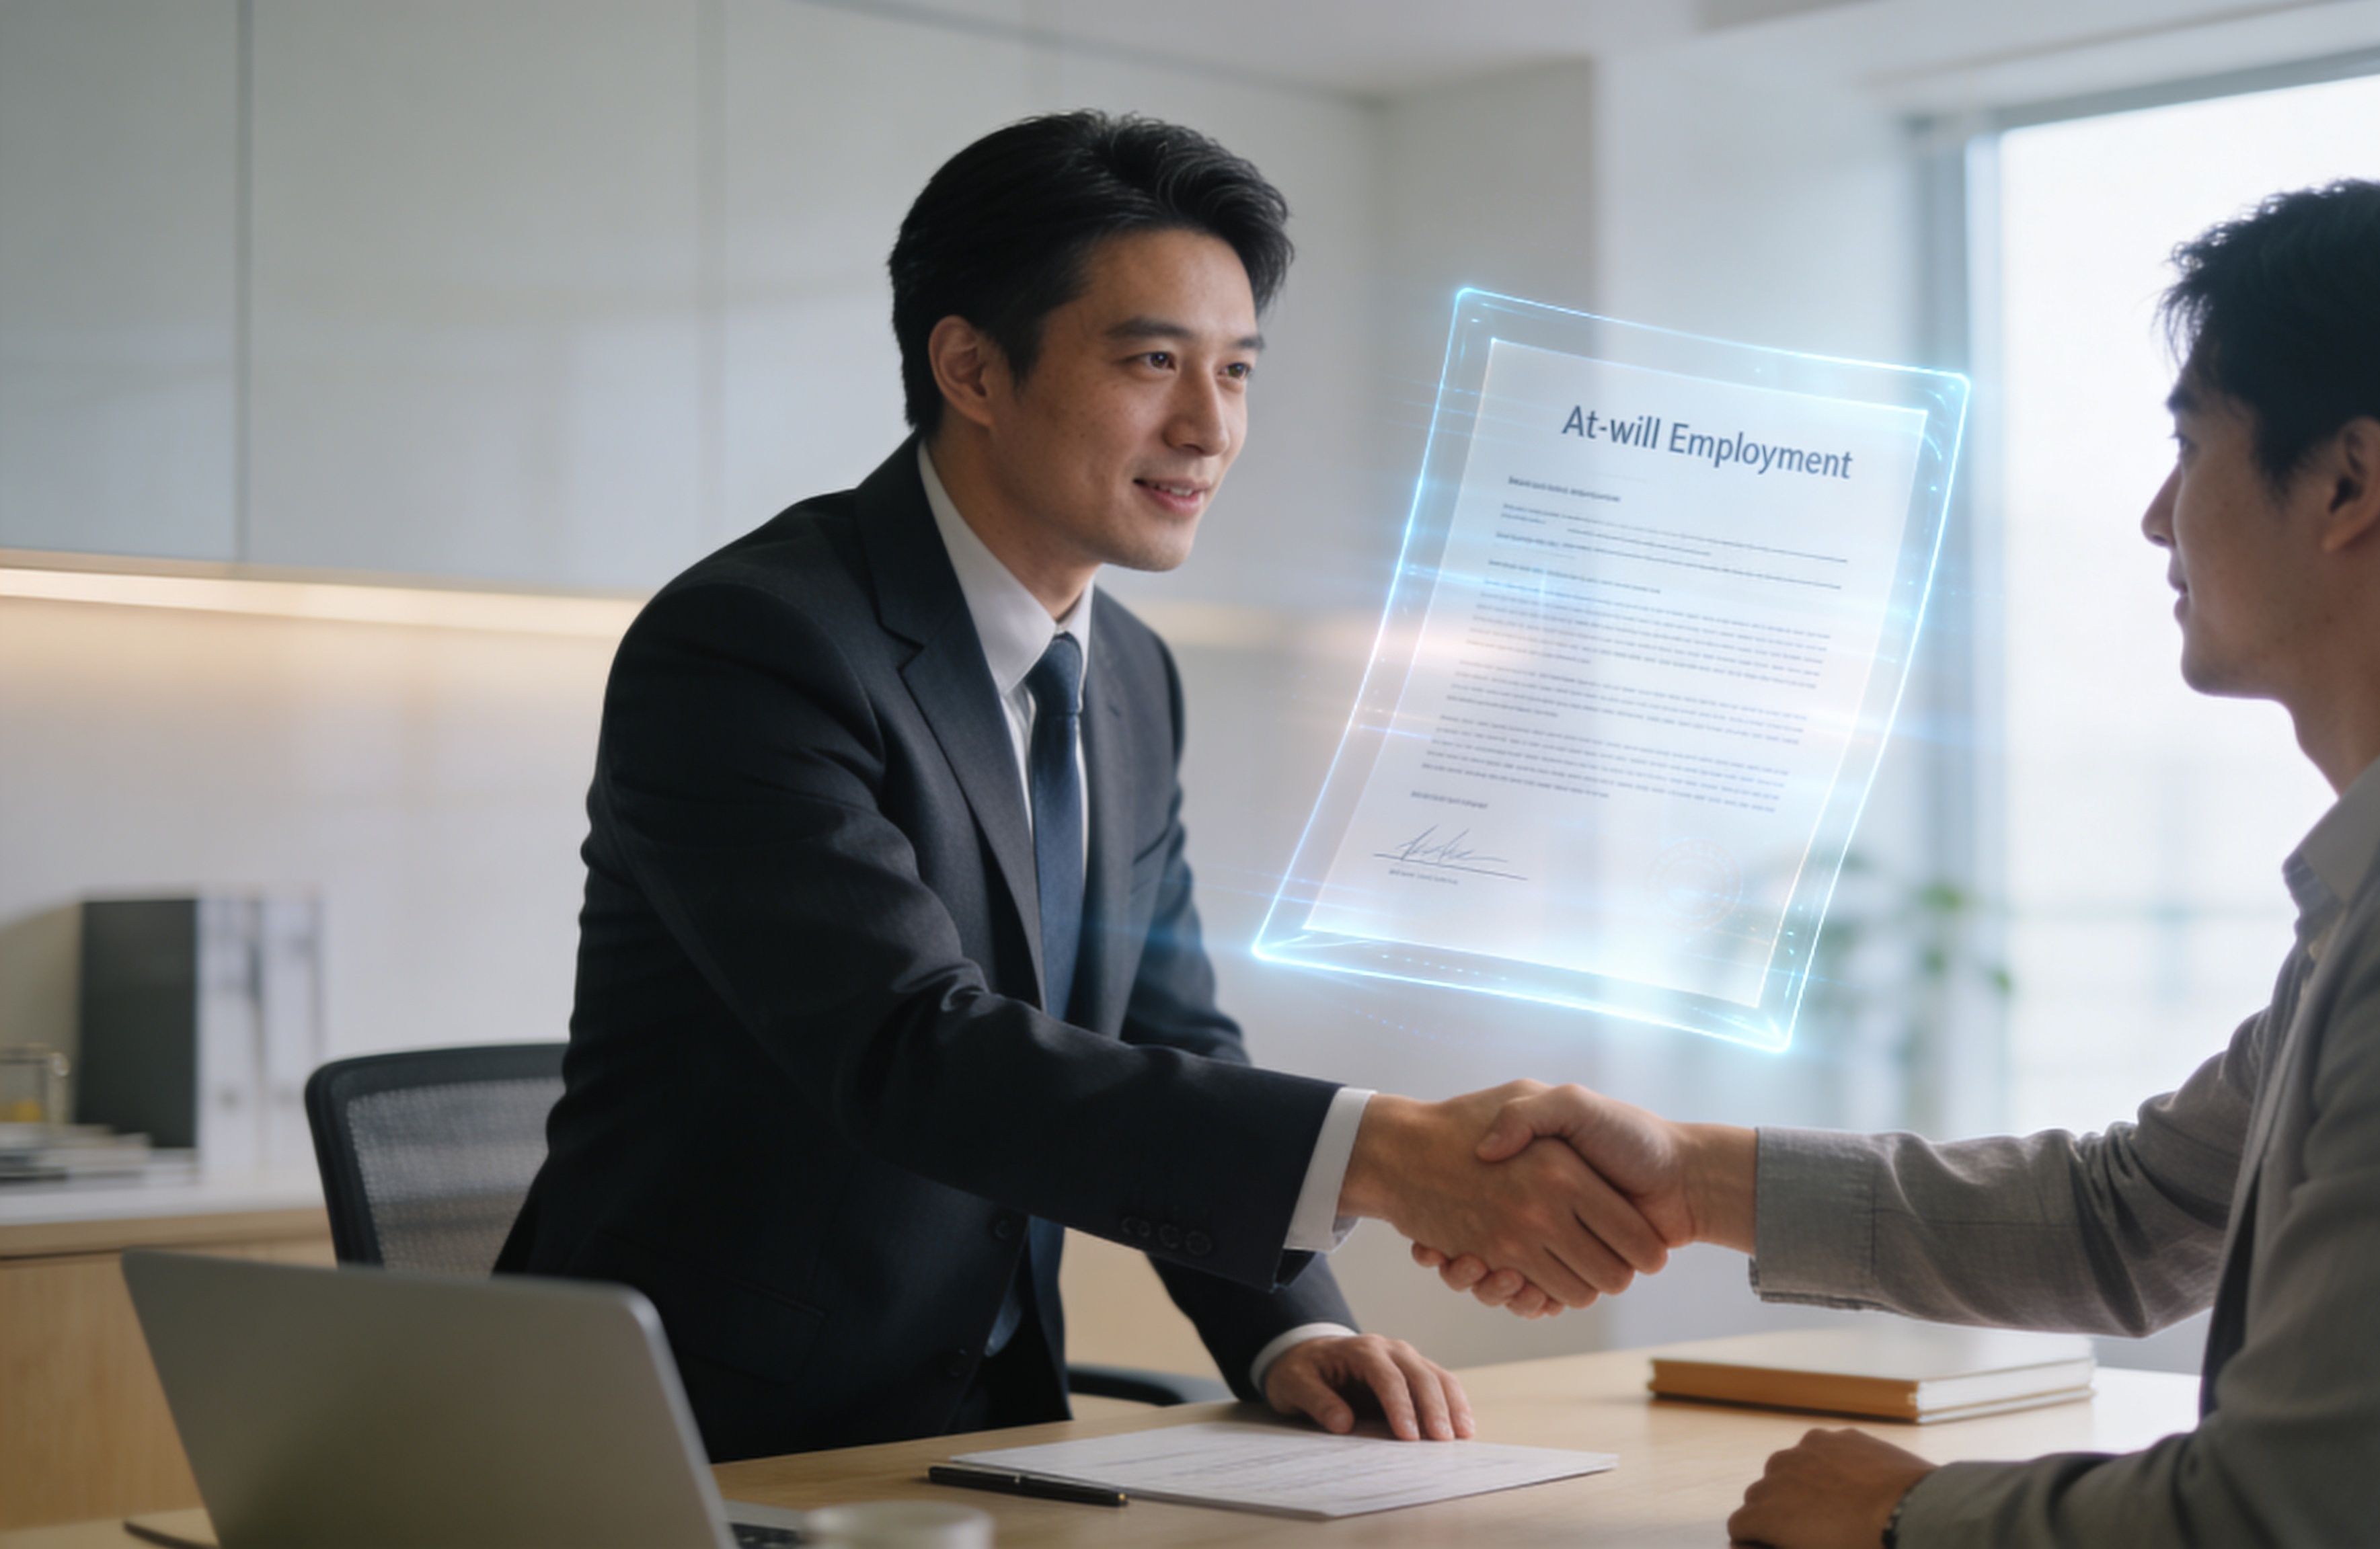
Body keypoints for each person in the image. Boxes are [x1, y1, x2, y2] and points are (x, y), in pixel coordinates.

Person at [1418, 172, 2380, 1546]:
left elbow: (2294, 1522)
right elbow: (2133, 1217)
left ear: (2345, 481)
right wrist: (1689, 1177)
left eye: (2192, 448)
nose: (2157, 516)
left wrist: (1901, 1518)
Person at [496, 110, 1668, 1462]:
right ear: (972, 368)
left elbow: (1162, 1029)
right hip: (696, 1441)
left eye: (1235, 371)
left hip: (984, 1438)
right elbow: (911, 1052)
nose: (1208, 427)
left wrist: (1290, 1333)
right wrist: (1382, 1152)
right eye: (1153, 361)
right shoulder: (754, 643)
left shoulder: (1125, 677)